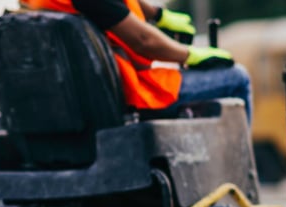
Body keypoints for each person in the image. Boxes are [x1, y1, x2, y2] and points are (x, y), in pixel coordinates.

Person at [18, 0, 252, 124]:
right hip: (128, 93)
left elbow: (114, 4)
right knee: (236, 79)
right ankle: (242, 185)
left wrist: (157, 15)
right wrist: (191, 55)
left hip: (78, 98)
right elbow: (144, 41)